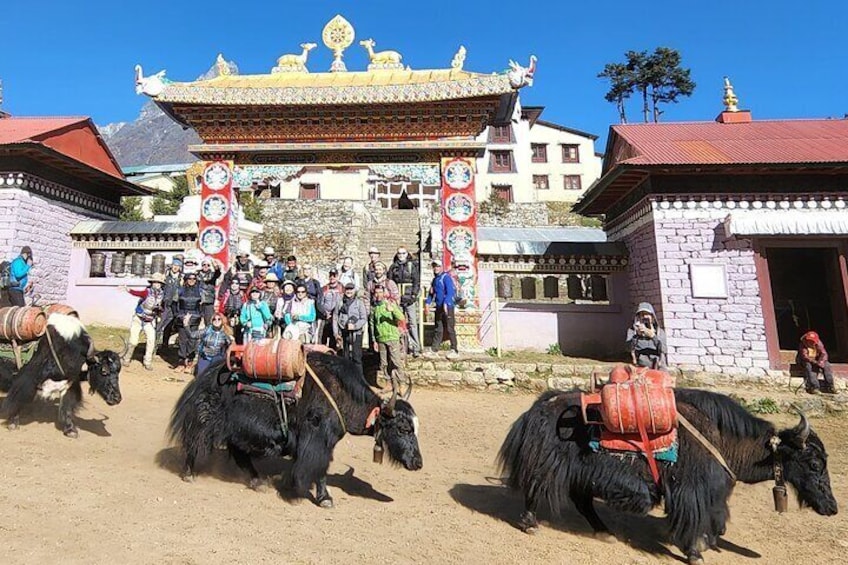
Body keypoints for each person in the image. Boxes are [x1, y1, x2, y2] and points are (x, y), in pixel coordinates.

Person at [120, 272, 166, 371]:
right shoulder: (147, 292)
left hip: (149, 320)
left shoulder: (162, 295)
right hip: (138, 318)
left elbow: (163, 308)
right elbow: (137, 293)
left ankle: (147, 361)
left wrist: (159, 311)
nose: (157, 284)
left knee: (151, 340)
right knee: (133, 341)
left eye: (159, 283)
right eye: (155, 282)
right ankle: (127, 358)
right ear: (152, 283)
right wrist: (128, 289)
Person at [371, 284, 406, 390]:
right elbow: (372, 325)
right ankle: (387, 383)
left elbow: (401, 317)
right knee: (383, 363)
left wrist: (393, 310)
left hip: (392, 337)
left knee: (396, 361)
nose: (378, 295)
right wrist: (374, 340)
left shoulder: (390, 304)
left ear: (384, 293)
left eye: (380, 292)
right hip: (381, 339)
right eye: (376, 292)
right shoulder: (374, 308)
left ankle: (401, 383)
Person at [388, 246, 421, 357]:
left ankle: (416, 346)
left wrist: (413, 295)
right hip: (398, 298)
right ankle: (401, 347)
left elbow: (416, 281)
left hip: (409, 297)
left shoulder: (412, 266)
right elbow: (390, 282)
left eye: (403, 253)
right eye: (399, 253)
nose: (401, 255)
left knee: (412, 322)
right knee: (398, 322)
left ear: (407, 254)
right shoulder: (393, 267)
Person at [426, 259, 458, 358]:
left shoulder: (446, 277)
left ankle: (454, 349)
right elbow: (431, 293)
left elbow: (450, 292)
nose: (436, 268)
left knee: (450, 328)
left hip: (447, 307)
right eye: (434, 266)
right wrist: (427, 303)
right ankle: (434, 349)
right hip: (439, 307)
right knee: (438, 328)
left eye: (438, 266)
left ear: (442, 267)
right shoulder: (435, 279)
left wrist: (446, 303)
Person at [334, 282, 367, 376]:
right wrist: (336, 333)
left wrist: (355, 326)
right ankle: (346, 378)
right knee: (345, 357)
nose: (349, 291)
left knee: (357, 357)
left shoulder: (359, 303)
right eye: (347, 289)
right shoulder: (340, 302)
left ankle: (359, 378)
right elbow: (335, 317)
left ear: (354, 291)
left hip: (356, 333)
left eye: (351, 289)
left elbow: (364, 318)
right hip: (344, 333)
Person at [625, 302, 668, 370]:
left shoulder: (660, 332)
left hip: (657, 366)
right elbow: (627, 349)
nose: (645, 317)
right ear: (638, 317)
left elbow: (664, 350)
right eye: (642, 314)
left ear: (652, 317)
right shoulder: (632, 331)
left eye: (647, 314)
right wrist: (636, 337)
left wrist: (653, 337)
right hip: (640, 366)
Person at [175, 272, 203, 373]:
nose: (192, 280)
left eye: (194, 279)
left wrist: (200, 315)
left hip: (195, 318)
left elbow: (203, 304)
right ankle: (181, 362)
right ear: (186, 279)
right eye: (189, 279)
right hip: (182, 317)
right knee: (182, 341)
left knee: (192, 341)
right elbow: (175, 304)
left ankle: (190, 362)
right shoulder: (180, 290)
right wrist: (179, 315)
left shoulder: (199, 291)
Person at [797, 331, 836, 395]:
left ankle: (830, 386)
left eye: (812, 341)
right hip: (806, 360)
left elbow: (824, 354)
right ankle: (814, 387)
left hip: (817, 359)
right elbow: (804, 356)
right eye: (809, 340)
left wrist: (821, 362)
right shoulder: (803, 344)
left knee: (827, 365)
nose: (810, 342)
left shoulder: (819, 344)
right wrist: (814, 362)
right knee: (809, 366)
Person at [156, 258, 183, 350]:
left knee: (169, 326)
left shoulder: (181, 279)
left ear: (180, 268)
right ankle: (153, 346)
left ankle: (165, 346)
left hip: (175, 306)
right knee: (159, 325)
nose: (175, 267)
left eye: (178, 266)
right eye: (174, 265)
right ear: (171, 266)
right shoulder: (166, 277)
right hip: (165, 305)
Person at [320, 268, 343, 346]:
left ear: (337, 276)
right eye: (330, 275)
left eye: (334, 275)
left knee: (334, 339)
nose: (332, 277)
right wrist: (324, 312)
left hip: (336, 317)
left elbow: (343, 302)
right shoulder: (324, 288)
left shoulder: (342, 288)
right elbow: (320, 302)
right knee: (323, 338)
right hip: (326, 317)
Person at [218, 279, 245, 344]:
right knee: (229, 336)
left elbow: (245, 306)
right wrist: (228, 312)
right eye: (232, 283)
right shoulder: (226, 295)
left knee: (239, 336)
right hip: (228, 318)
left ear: (239, 285)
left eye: (236, 283)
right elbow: (221, 308)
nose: (234, 285)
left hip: (239, 318)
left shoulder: (242, 295)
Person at [197, 256, 221, 326]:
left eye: (208, 265)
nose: (206, 266)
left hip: (209, 301)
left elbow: (218, 272)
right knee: (196, 321)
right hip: (198, 301)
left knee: (209, 322)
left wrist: (215, 265)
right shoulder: (197, 274)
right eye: (204, 264)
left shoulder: (213, 274)